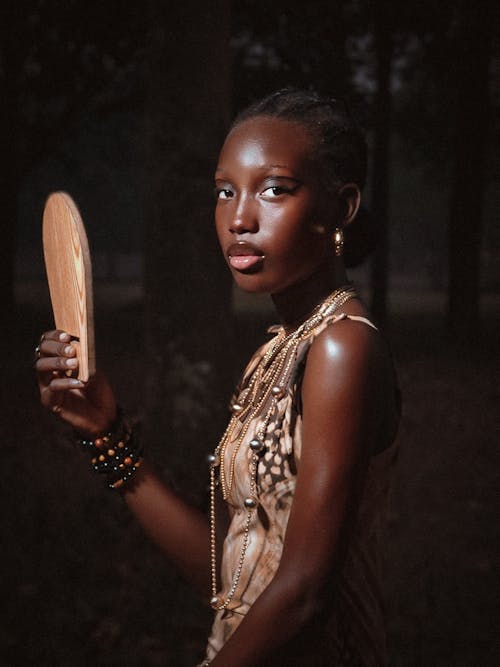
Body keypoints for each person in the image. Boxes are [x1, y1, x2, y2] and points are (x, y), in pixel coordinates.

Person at [35, 88, 400, 666]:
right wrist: (105, 433)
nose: (239, 218)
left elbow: (304, 592)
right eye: (225, 191)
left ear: (343, 207)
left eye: (274, 189)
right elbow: (233, 570)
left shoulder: (342, 347)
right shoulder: (282, 348)